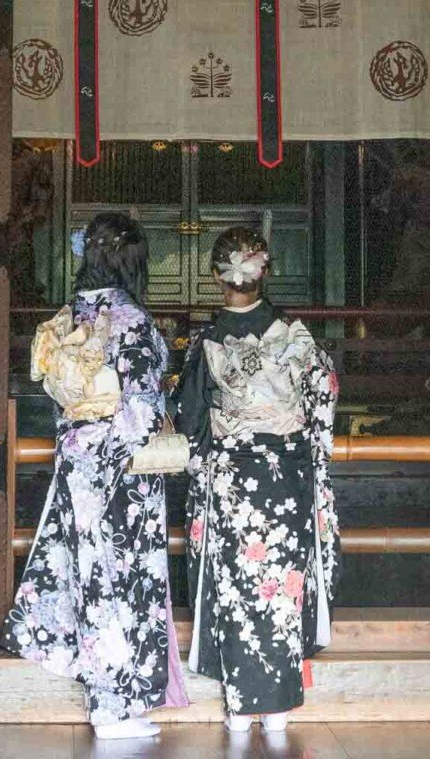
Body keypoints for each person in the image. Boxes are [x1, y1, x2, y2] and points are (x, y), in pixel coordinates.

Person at [0, 212, 187, 739]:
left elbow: (63, 390)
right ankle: (114, 705)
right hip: (120, 469)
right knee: (123, 580)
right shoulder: (129, 319)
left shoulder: (72, 313)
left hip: (78, 457)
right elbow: (144, 404)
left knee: (89, 575)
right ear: (132, 260)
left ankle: (111, 700)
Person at [172, 227, 340, 733]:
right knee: (282, 588)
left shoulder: (206, 340)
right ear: (264, 270)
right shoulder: (296, 333)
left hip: (230, 479)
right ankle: (279, 711)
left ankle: (240, 709)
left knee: (237, 587)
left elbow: (190, 416)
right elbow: (323, 400)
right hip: (286, 475)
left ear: (218, 277)